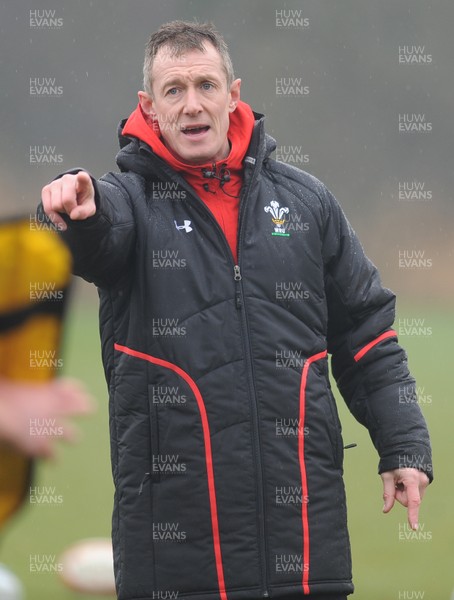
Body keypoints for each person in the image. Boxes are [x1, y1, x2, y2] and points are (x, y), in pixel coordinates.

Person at [40, 20, 432, 600]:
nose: (192, 104)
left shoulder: (305, 202)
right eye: (174, 90)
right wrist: (77, 207)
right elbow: (100, 234)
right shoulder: (126, 202)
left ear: (234, 94)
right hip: (177, 561)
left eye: (206, 85)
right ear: (149, 107)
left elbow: (366, 333)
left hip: (305, 546)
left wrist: (401, 444)